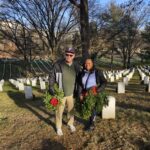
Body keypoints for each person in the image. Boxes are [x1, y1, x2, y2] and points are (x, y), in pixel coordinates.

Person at [49, 48, 80, 136]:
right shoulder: (58, 64)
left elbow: (80, 77)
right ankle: (58, 127)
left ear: (74, 56)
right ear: (64, 54)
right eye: (67, 54)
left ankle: (70, 123)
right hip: (61, 92)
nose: (69, 56)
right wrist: (51, 86)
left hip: (71, 92)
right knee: (59, 111)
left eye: (71, 55)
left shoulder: (76, 65)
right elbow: (52, 76)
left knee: (71, 110)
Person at [76, 57, 107, 131]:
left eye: (89, 63)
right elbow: (80, 84)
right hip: (85, 93)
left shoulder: (97, 72)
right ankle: (90, 121)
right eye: (86, 63)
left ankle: (92, 124)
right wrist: (79, 94)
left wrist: (97, 90)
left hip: (94, 93)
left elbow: (104, 82)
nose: (87, 65)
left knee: (92, 108)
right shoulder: (82, 73)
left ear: (92, 64)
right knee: (87, 107)